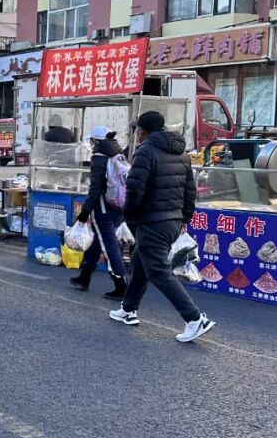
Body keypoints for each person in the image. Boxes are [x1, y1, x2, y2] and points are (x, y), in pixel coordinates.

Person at [110, 111, 215, 343]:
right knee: (140, 260)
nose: (137, 135)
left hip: (152, 220)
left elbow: (135, 189)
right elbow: (190, 190)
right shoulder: (181, 153)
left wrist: (128, 217)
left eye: (138, 131)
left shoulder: (145, 151)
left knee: (158, 271)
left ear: (142, 131)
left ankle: (195, 319)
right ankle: (128, 308)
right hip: (173, 220)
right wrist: (184, 219)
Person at [71, 127, 128, 299]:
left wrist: (85, 210)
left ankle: (121, 285)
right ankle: (84, 276)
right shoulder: (118, 154)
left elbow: (95, 188)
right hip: (118, 205)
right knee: (99, 241)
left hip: (103, 207)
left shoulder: (99, 157)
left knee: (109, 246)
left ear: (96, 141)